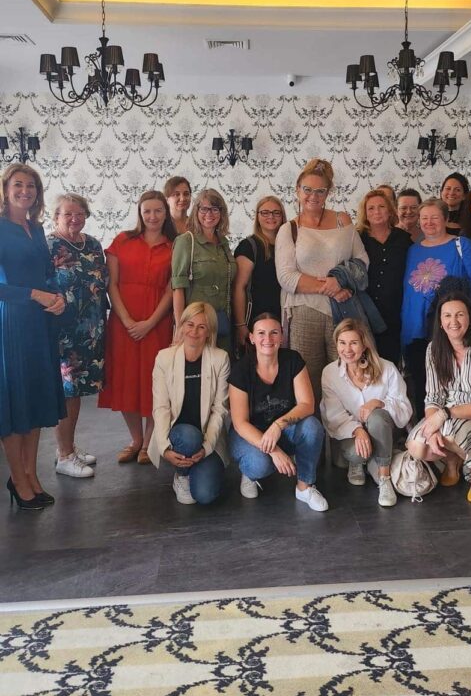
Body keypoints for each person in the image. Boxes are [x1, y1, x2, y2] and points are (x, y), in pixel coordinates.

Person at [275, 158, 369, 410]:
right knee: (309, 383)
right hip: (304, 313)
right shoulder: (289, 229)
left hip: (344, 311)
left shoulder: (342, 221)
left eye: (320, 191)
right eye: (307, 189)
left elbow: (362, 260)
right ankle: (314, 436)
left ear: (328, 193)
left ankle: (349, 433)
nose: (313, 196)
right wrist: (331, 288)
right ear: (297, 190)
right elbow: (286, 277)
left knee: (348, 378)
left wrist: (339, 282)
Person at [406, 291, 471, 502]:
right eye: (447, 316)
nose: (453, 321)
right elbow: (433, 396)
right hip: (447, 415)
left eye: (460, 315)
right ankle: (452, 461)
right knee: (417, 446)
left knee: (451, 434)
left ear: (470, 318)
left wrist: (443, 416)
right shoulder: (433, 349)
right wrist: (433, 426)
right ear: (440, 321)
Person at [0, 164, 65, 510]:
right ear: (5, 189)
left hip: (41, 323)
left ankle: (29, 472)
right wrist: (35, 295)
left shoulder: (37, 229)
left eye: (31, 186)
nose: (25, 191)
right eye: (18, 184)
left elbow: (47, 273)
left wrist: (57, 296)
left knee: (36, 397)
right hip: (12, 324)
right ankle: (18, 477)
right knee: (16, 402)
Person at [98, 190, 175, 463]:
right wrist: (128, 321)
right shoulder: (122, 240)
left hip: (158, 322)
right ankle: (136, 439)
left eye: (158, 210)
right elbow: (111, 284)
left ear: (165, 213)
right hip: (123, 323)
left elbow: (171, 289)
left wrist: (150, 322)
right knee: (126, 380)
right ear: (140, 214)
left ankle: (150, 442)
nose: (152, 216)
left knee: (155, 381)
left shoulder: (174, 246)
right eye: (147, 211)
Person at [229, 313, 328, 511]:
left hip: (283, 429)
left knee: (312, 427)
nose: (268, 339)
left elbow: (307, 404)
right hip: (250, 433)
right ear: (252, 338)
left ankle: (304, 487)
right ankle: (250, 474)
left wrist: (277, 426)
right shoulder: (241, 370)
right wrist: (274, 451)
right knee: (260, 464)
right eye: (261, 333)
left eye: (274, 332)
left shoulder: (292, 360)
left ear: (282, 336)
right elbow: (240, 423)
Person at [401, 197, 471, 422]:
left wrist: (461, 319)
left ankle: (452, 430)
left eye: (435, 217)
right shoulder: (412, 250)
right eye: (424, 218)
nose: (429, 222)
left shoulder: (462, 246)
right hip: (416, 327)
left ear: (446, 219)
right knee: (421, 383)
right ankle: (426, 430)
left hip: (450, 329)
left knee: (451, 382)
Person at [47, 194, 108, 478]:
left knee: (78, 392)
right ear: (56, 217)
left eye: (80, 213)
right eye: (68, 214)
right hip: (63, 332)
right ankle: (64, 455)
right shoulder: (49, 245)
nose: (74, 219)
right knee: (68, 392)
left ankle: (68, 446)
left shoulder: (93, 244)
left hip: (91, 329)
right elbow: (40, 285)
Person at [321, 318, 412, 507]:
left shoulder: (386, 368)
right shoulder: (330, 373)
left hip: (383, 430)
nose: (347, 349)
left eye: (353, 343)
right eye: (342, 343)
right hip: (351, 434)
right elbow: (334, 415)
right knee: (357, 454)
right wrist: (358, 431)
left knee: (376, 416)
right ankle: (364, 461)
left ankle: (384, 478)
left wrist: (379, 403)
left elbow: (404, 407)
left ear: (364, 345)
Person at [150, 302, 229, 505]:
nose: (194, 332)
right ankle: (182, 475)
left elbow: (219, 409)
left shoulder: (220, 359)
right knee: (189, 436)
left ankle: (198, 466)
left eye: (202, 327)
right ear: (182, 325)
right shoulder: (164, 358)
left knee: (205, 495)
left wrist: (207, 447)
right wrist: (164, 448)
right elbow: (161, 408)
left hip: (206, 435)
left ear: (209, 332)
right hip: (180, 434)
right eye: (190, 324)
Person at [172, 188, 236, 351]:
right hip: (195, 326)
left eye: (215, 209)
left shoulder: (224, 243)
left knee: (221, 365)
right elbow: (178, 288)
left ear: (221, 213)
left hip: (222, 323)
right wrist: (180, 327)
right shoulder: (186, 242)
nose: (209, 214)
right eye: (204, 209)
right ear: (196, 211)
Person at [357, 188, 411, 365]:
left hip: (396, 311)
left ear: (390, 210)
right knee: (365, 362)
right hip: (366, 311)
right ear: (365, 213)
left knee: (391, 363)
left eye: (381, 207)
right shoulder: (357, 239)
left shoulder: (403, 238)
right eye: (371, 208)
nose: (377, 212)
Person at [232, 195, 286, 354]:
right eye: (265, 212)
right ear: (257, 216)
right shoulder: (249, 246)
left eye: (276, 213)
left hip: (283, 318)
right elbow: (238, 287)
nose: (271, 217)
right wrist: (240, 325)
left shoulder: (288, 245)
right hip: (256, 319)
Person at [440, 172, 470, 236]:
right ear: (441, 192)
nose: (451, 193)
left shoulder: (470, 218)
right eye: (448, 188)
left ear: (464, 195)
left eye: (457, 190)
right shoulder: (432, 215)